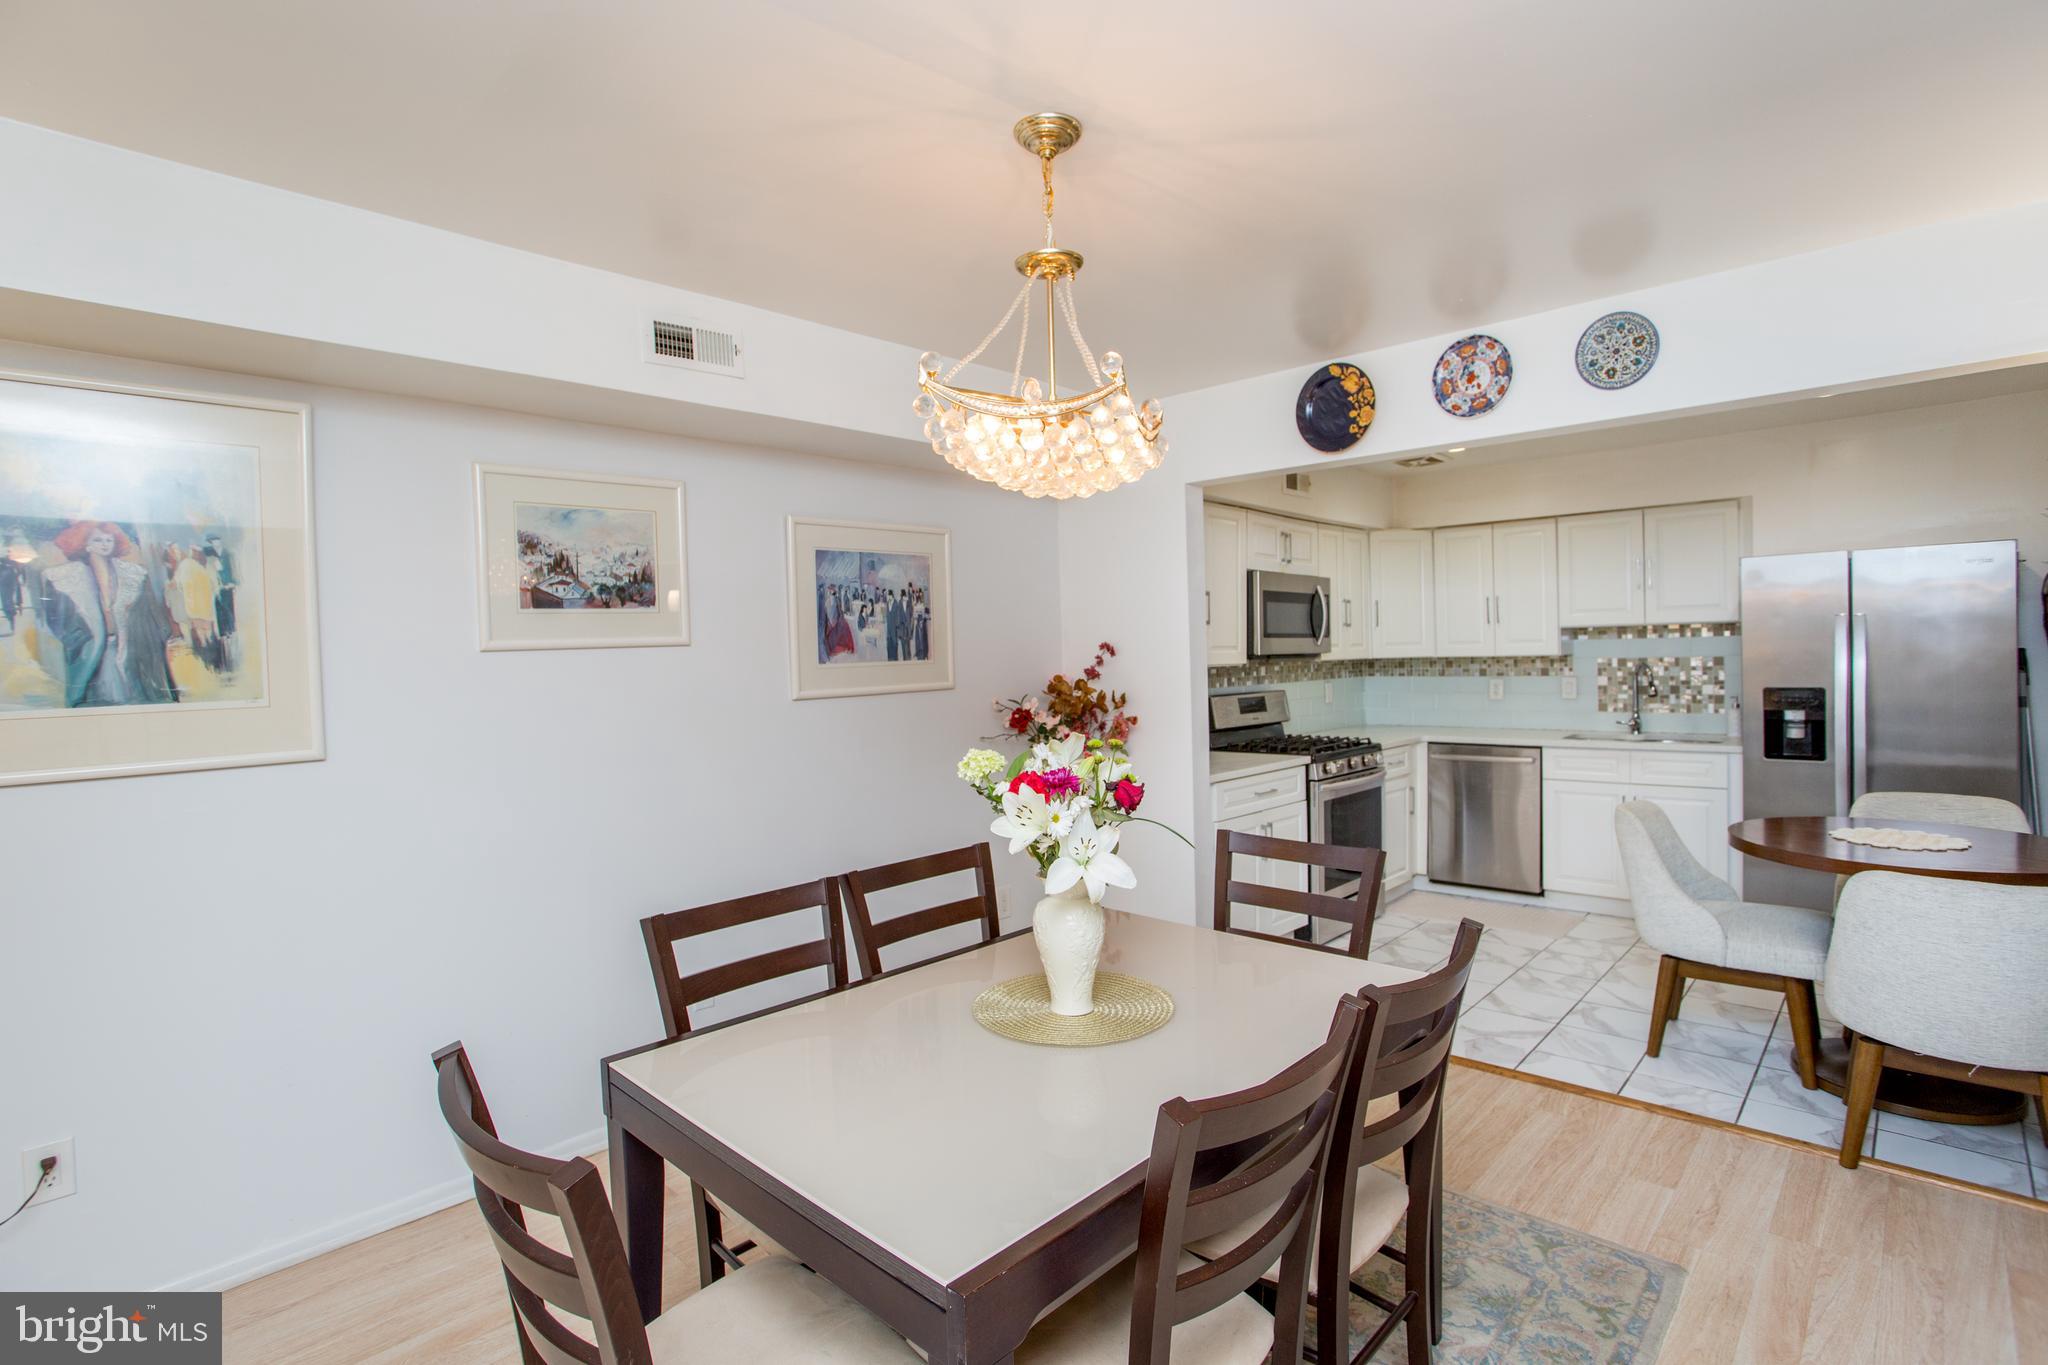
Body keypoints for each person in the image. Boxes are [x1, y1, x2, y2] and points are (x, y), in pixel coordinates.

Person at [37, 520, 177, 707]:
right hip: (93, 652)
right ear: (85, 544)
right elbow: (58, 621)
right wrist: (82, 640)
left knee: (129, 698)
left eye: (108, 540)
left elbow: (151, 617)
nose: (104, 544)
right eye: (97, 540)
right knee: (100, 700)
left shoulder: (132, 574)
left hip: (127, 651)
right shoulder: (68, 576)